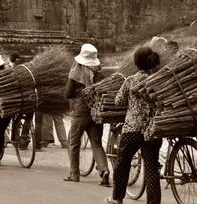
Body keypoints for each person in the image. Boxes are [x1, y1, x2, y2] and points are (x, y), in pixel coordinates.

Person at [105, 47, 163, 204]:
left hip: (132, 129)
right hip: (152, 129)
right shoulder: (159, 80)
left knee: (122, 163)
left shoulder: (130, 80)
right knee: (151, 168)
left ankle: (117, 198)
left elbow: (119, 101)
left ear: (136, 63)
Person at [64, 43, 110, 185]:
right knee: (96, 143)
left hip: (80, 112)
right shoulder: (100, 74)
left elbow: (68, 93)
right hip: (96, 113)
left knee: (74, 143)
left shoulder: (75, 73)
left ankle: (75, 174)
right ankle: (104, 171)